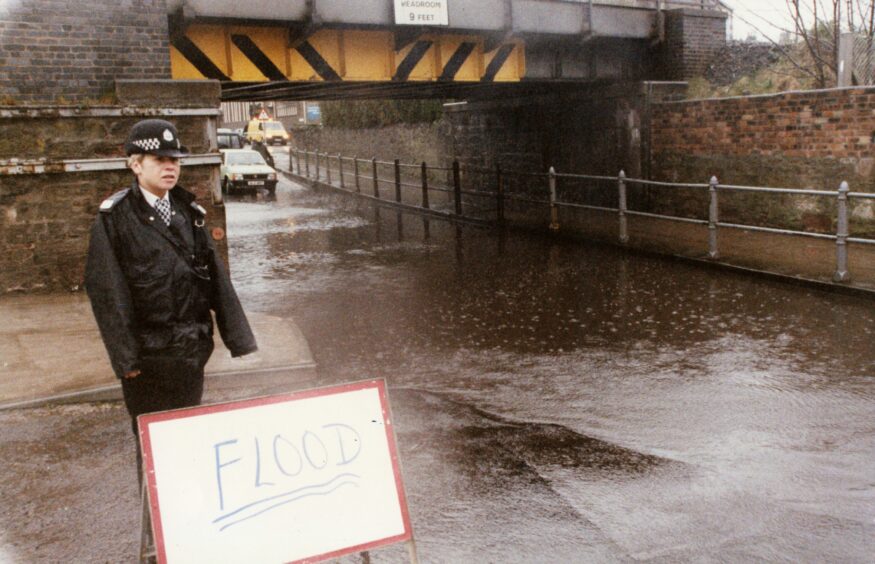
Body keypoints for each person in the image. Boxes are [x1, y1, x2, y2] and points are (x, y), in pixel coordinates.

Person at [84, 119, 258, 465]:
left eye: (175, 160)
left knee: (187, 441)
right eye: (159, 160)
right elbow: (107, 292)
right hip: (147, 361)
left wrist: (239, 339)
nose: (170, 167)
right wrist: (126, 360)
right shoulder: (115, 218)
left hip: (189, 354)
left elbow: (216, 279)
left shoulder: (188, 214)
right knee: (153, 450)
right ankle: (154, 521)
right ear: (135, 165)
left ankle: (186, 515)